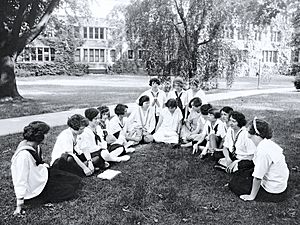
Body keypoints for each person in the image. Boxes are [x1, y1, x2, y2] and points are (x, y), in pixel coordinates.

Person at [11, 121, 81, 215]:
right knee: (70, 191)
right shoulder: (23, 155)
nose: (48, 135)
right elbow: (20, 179)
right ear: (39, 136)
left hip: (42, 174)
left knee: (76, 180)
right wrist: (19, 204)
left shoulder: (36, 146)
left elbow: (38, 162)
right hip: (35, 188)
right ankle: (37, 200)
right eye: (46, 133)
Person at [233, 118, 289, 202]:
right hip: (279, 183)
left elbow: (258, 177)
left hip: (273, 190)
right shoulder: (267, 143)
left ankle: (254, 193)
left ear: (254, 133)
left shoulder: (263, 151)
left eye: (248, 129)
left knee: (234, 184)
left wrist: (252, 196)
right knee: (243, 169)